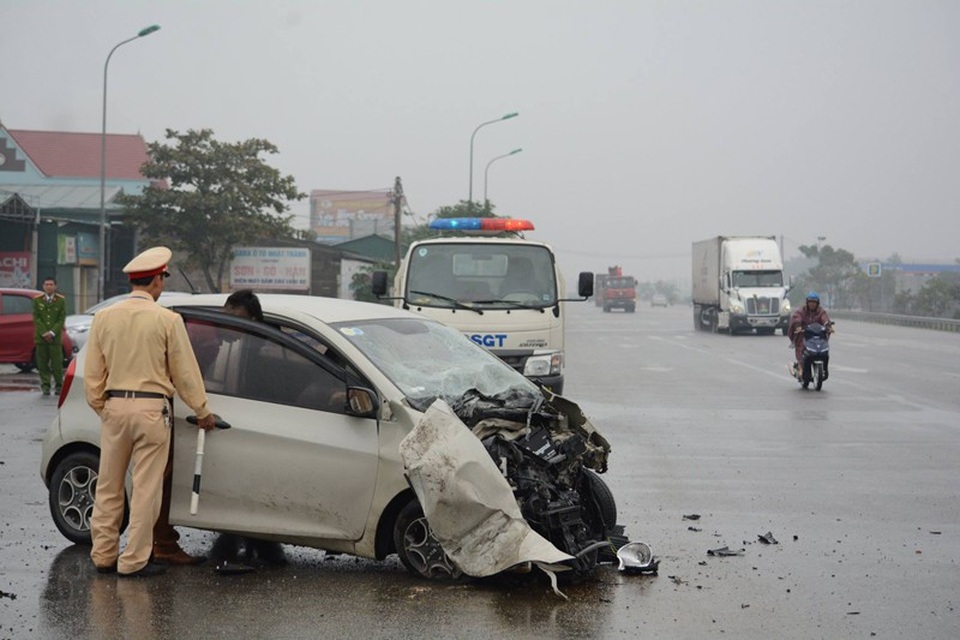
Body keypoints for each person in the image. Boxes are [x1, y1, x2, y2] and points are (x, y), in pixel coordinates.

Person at [85, 246, 216, 578]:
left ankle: (102, 555)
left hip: (114, 407)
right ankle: (133, 561)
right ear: (157, 281)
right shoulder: (167, 320)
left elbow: (93, 376)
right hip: (151, 410)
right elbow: (186, 373)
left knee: (109, 486)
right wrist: (202, 410)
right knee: (146, 488)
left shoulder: (104, 317)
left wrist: (105, 406)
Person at [33, 276, 66, 396]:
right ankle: (45, 386)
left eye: (51, 284)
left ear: (55, 286)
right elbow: (37, 318)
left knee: (57, 363)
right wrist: (44, 333)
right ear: (43, 286)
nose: (48, 287)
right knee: (42, 363)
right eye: (46, 284)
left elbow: (61, 319)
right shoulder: (37, 300)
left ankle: (58, 386)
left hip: (55, 338)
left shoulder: (61, 300)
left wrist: (52, 332)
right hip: (41, 338)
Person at [788, 291, 832, 379]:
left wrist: (827, 325)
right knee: (801, 345)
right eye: (810, 302)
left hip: (817, 336)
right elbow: (797, 318)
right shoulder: (802, 311)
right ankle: (800, 366)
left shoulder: (821, 312)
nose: (812, 304)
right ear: (807, 303)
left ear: (817, 303)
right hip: (804, 336)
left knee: (824, 350)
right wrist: (797, 325)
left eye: (814, 302)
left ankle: (824, 368)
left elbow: (825, 318)